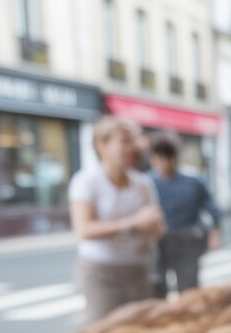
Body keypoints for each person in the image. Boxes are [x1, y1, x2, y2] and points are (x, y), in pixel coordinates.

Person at [69, 116, 165, 321]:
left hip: (138, 268)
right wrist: (133, 224)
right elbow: (84, 230)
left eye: (133, 141)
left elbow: (157, 227)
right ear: (101, 145)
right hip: (101, 272)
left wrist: (151, 227)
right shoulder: (86, 181)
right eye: (124, 141)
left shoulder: (143, 183)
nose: (132, 148)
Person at [148, 136, 222, 295]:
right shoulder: (147, 182)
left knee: (188, 288)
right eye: (159, 159)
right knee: (157, 285)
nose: (163, 164)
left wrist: (214, 233)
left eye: (167, 158)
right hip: (159, 240)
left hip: (187, 238)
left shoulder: (193, 181)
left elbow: (212, 208)